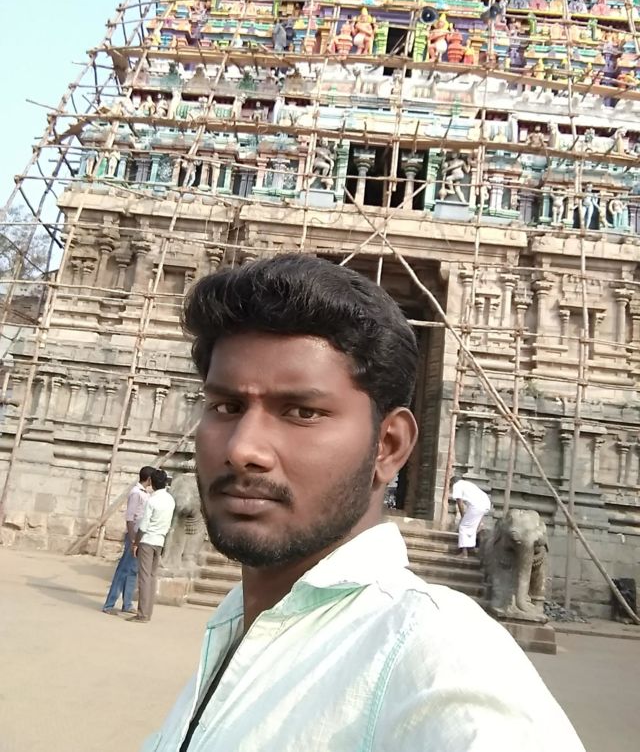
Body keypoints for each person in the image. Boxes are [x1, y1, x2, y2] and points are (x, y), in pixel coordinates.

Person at [140, 255, 584, 751]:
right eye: (227, 406)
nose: (243, 448)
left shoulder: (439, 656)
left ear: (388, 446)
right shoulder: (237, 619)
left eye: (302, 412)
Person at [102, 465, 153, 616]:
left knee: (132, 570)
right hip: (134, 535)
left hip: (139, 535)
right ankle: (109, 604)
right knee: (123, 570)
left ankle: (127, 603)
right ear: (149, 479)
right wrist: (132, 539)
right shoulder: (136, 493)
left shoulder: (145, 494)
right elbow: (130, 517)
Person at [129, 468, 176, 623]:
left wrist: (135, 543)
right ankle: (148, 612)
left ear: (152, 483)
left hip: (148, 540)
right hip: (160, 541)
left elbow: (143, 526)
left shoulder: (152, 500)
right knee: (152, 577)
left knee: (144, 578)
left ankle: (142, 614)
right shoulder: (170, 500)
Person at [451, 475, 492, 558]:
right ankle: (471, 547)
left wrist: (462, 515)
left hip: (476, 506)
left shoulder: (457, 485)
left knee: (463, 526)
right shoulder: (467, 484)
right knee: (472, 527)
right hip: (486, 503)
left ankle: (464, 553)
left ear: (452, 482)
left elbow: (459, 501)